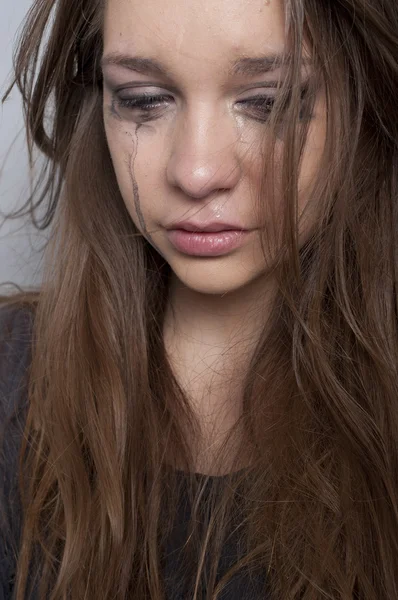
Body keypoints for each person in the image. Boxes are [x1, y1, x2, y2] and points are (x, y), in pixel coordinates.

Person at [1, 0, 397, 598]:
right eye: (142, 100)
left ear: (364, 99)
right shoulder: (11, 381)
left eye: (267, 102)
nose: (197, 170)